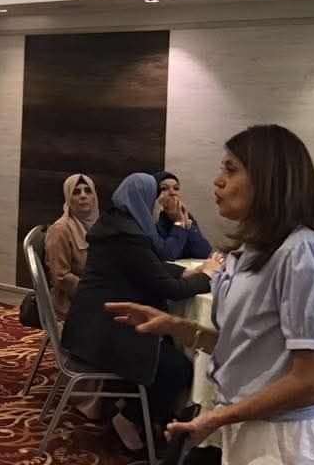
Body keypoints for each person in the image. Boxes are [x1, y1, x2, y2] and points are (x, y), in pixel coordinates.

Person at [107, 125, 314, 464]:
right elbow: (253, 348)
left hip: (289, 439)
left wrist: (218, 417)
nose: (218, 181)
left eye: (231, 170)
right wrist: (177, 326)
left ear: (268, 179)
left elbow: (312, 383)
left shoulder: (302, 253)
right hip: (255, 424)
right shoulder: (254, 250)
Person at [61, 172, 222, 452]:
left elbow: (149, 267)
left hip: (97, 323)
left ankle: (151, 416)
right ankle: (131, 418)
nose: (158, 205)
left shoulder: (117, 225)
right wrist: (206, 276)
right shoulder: (127, 236)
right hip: (105, 331)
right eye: (155, 198)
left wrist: (186, 272)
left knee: (170, 348)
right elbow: (169, 288)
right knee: (178, 367)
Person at [45, 173, 99, 322]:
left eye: (88, 191)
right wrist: (95, 290)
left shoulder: (97, 226)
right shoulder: (60, 230)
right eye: (76, 192)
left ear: (94, 197)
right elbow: (61, 277)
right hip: (71, 304)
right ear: (68, 199)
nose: (83, 196)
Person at [150, 170, 213, 260]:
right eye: (164, 189)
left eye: (176, 188)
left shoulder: (185, 215)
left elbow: (204, 252)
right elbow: (167, 255)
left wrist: (187, 224)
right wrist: (178, 223)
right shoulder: (153, 218)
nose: (173, 193)